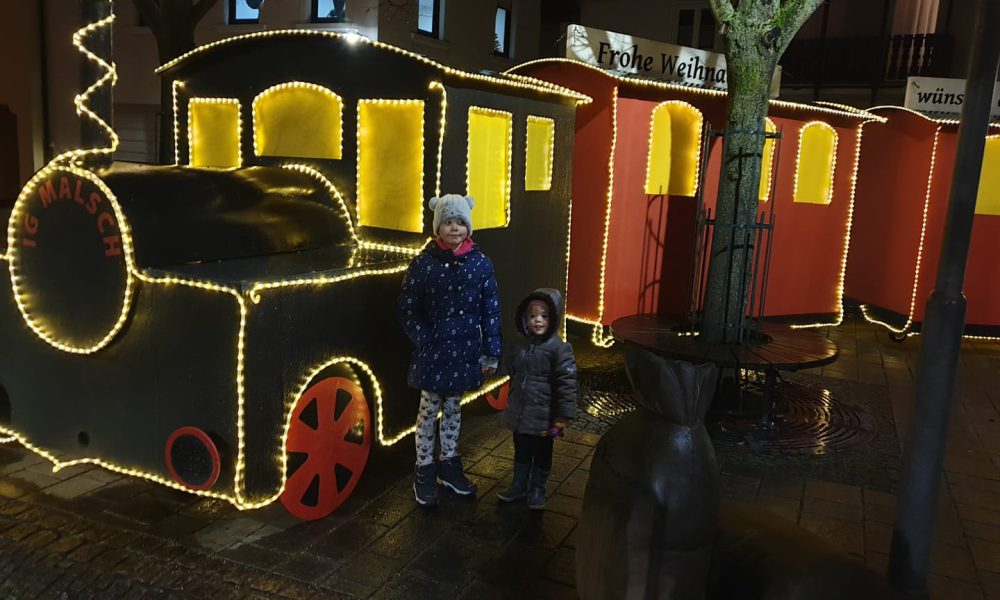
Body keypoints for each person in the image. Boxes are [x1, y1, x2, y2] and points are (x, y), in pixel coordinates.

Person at [398, 194, 502, 507]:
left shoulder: (481, 264)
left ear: (468, 227)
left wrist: (491, 352)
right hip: (434, 353)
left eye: (459, 222)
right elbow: (407, 306)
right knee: (428, 411)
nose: (454, 228)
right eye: (447, 222)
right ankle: (425, 469)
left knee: (454, 410)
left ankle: (450, 465)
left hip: (464, 352)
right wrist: (424, 338)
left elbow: (491, 310)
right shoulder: (424, 263)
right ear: (438, 227)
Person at [497, 288, 577, 510]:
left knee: (542, 453)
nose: (538, 321)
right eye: (532, 316)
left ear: (553, 318)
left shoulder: (559, 349)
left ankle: (537, 488)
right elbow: (510, 368)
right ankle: (519, 484)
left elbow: (567, 384)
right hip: (521, 414)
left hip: (544, 417)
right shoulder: (519, 344)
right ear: (525, 318)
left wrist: (563, 416)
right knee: (521, 450)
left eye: (544, 316)